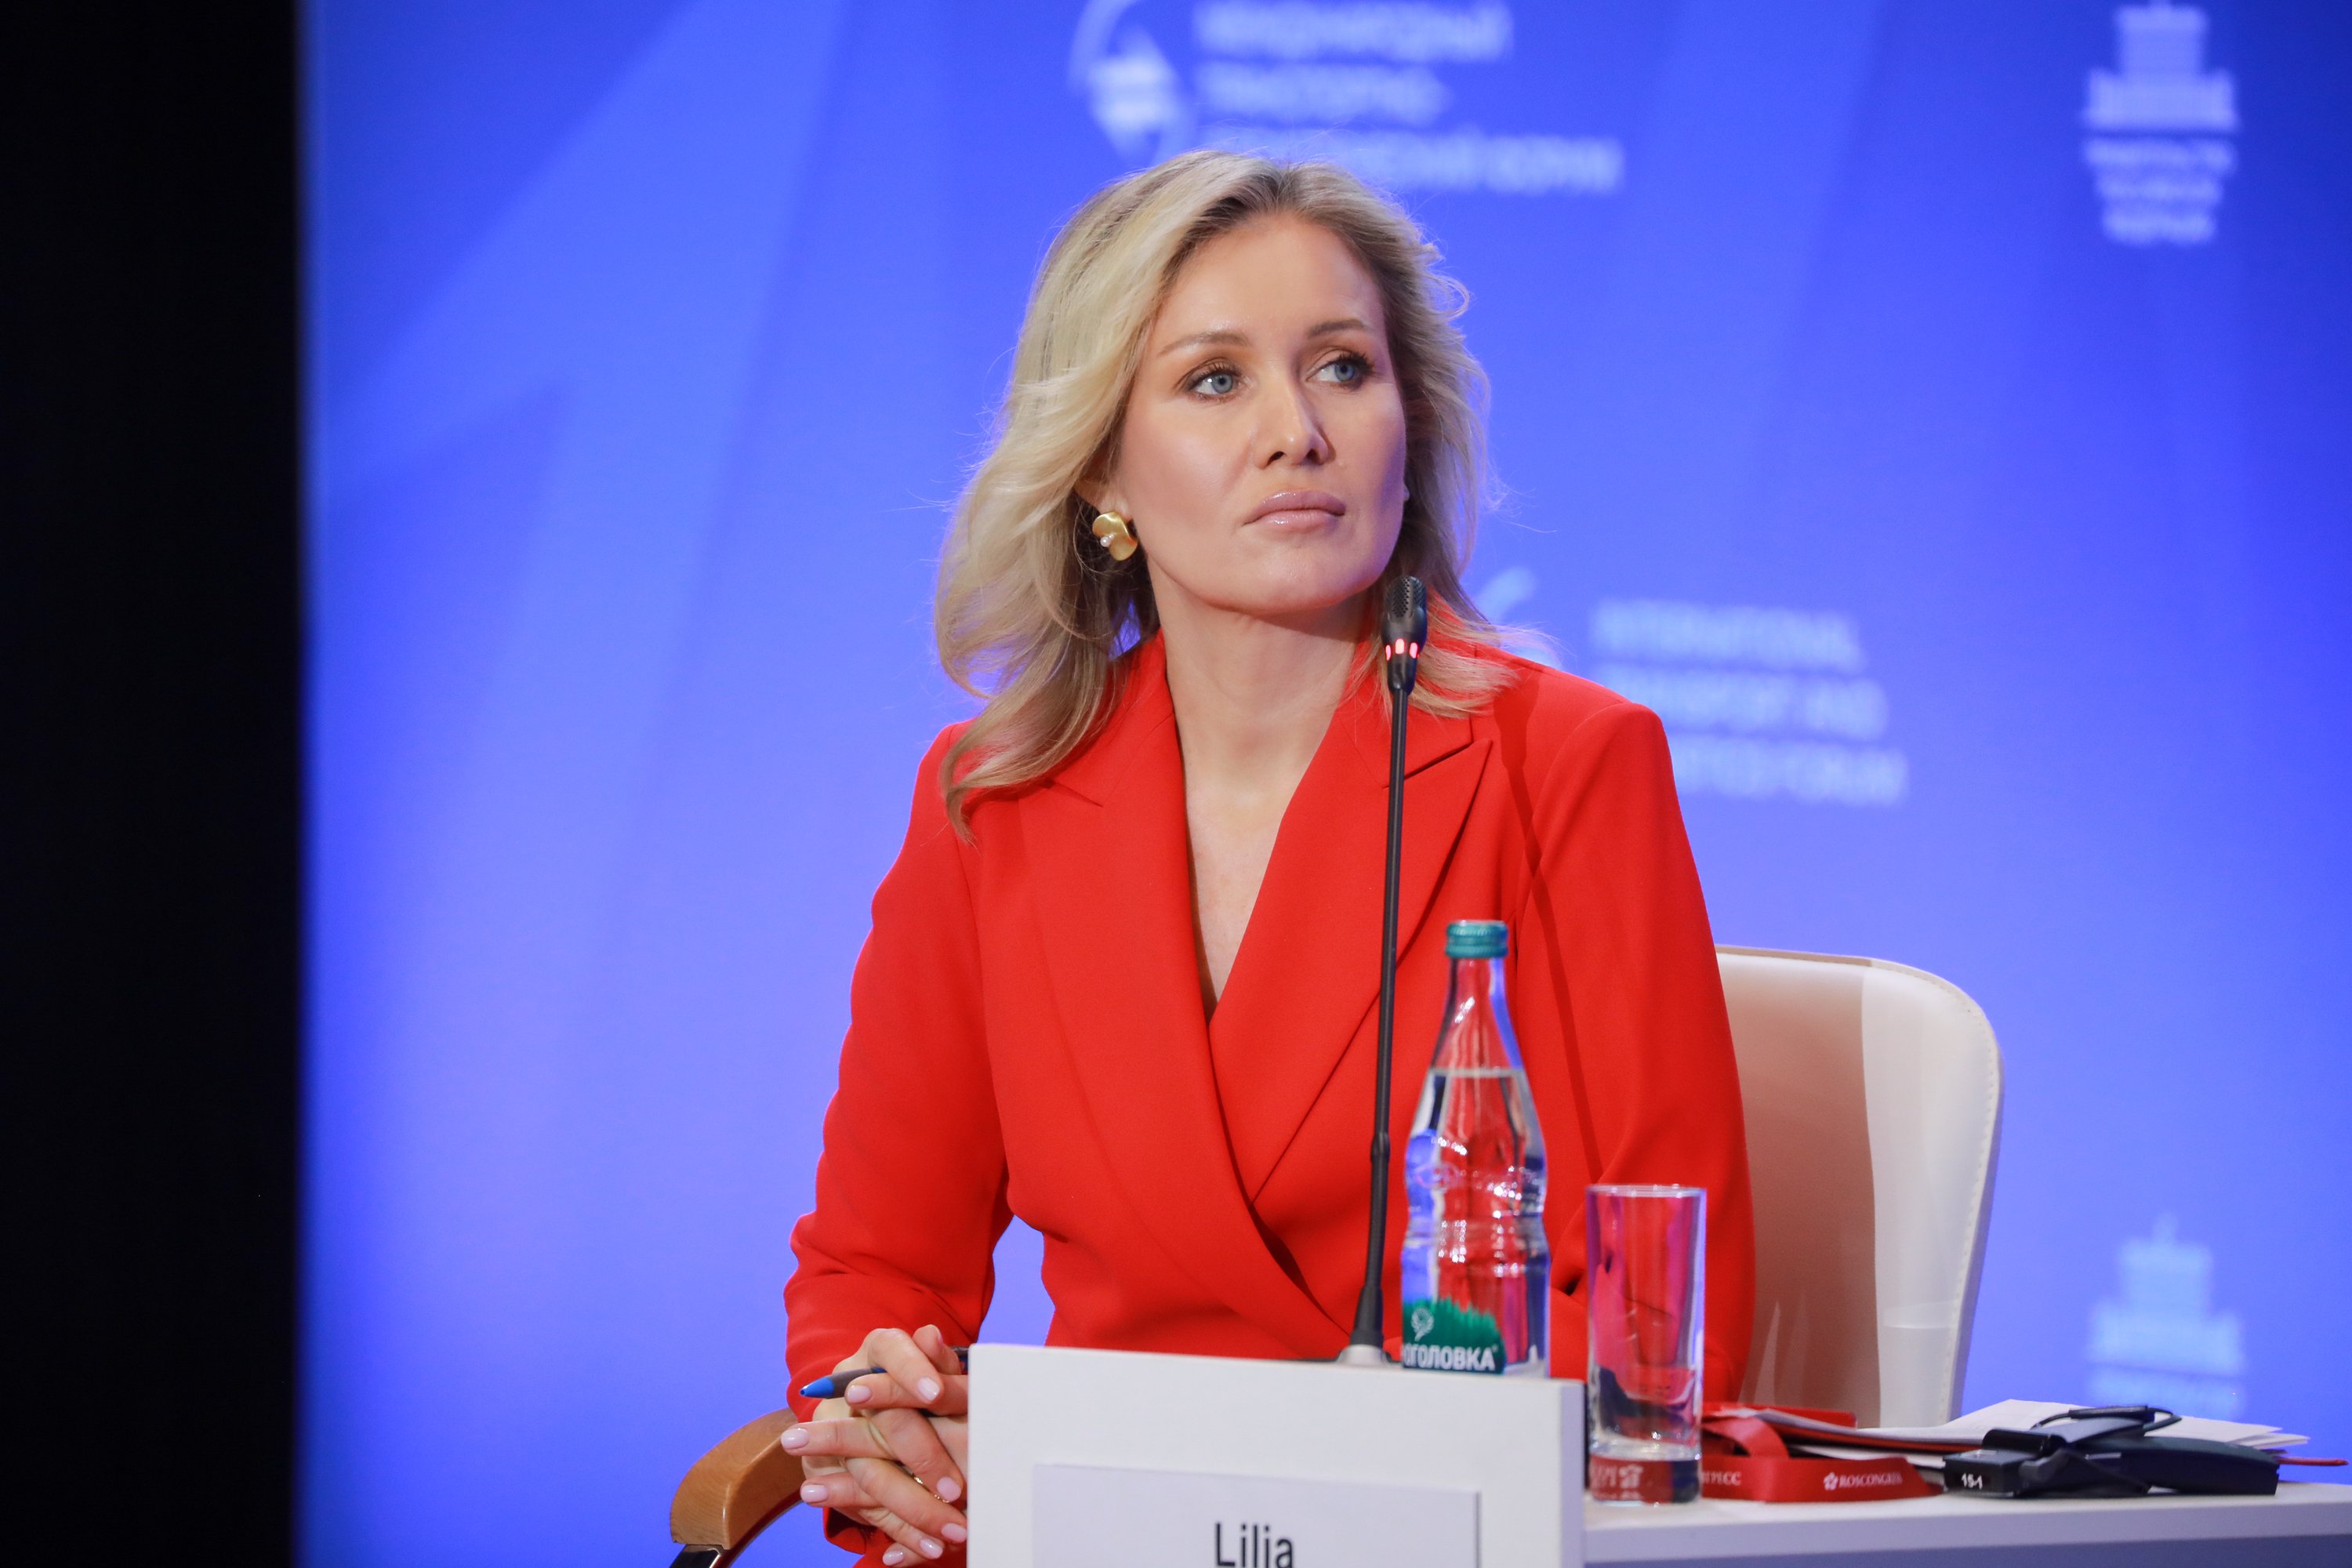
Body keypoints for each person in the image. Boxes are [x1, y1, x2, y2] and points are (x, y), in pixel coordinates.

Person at [780, 151, 1754, 1565]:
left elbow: (1657, 1317)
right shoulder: (992, 801)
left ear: (1411, 426)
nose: (1296, 433)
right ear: (1101, 465)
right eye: (1215, 380)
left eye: (1343, 368)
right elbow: (879, 1265)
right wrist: (885, 1421)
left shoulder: (1565, 766)